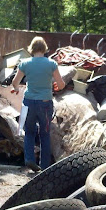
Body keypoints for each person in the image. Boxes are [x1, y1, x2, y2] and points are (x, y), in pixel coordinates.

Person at [10, 37, 66, 171]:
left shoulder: (24, 63)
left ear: (32, 49)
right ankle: (44, 166)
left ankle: (29, 159)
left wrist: (17, 89)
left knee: (29, 132)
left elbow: (14, 82)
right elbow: (61, 84)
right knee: (44, 134)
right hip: (45, 103)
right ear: (45, 48)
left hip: (28, 102)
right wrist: (57, 86)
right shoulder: (51, 64)